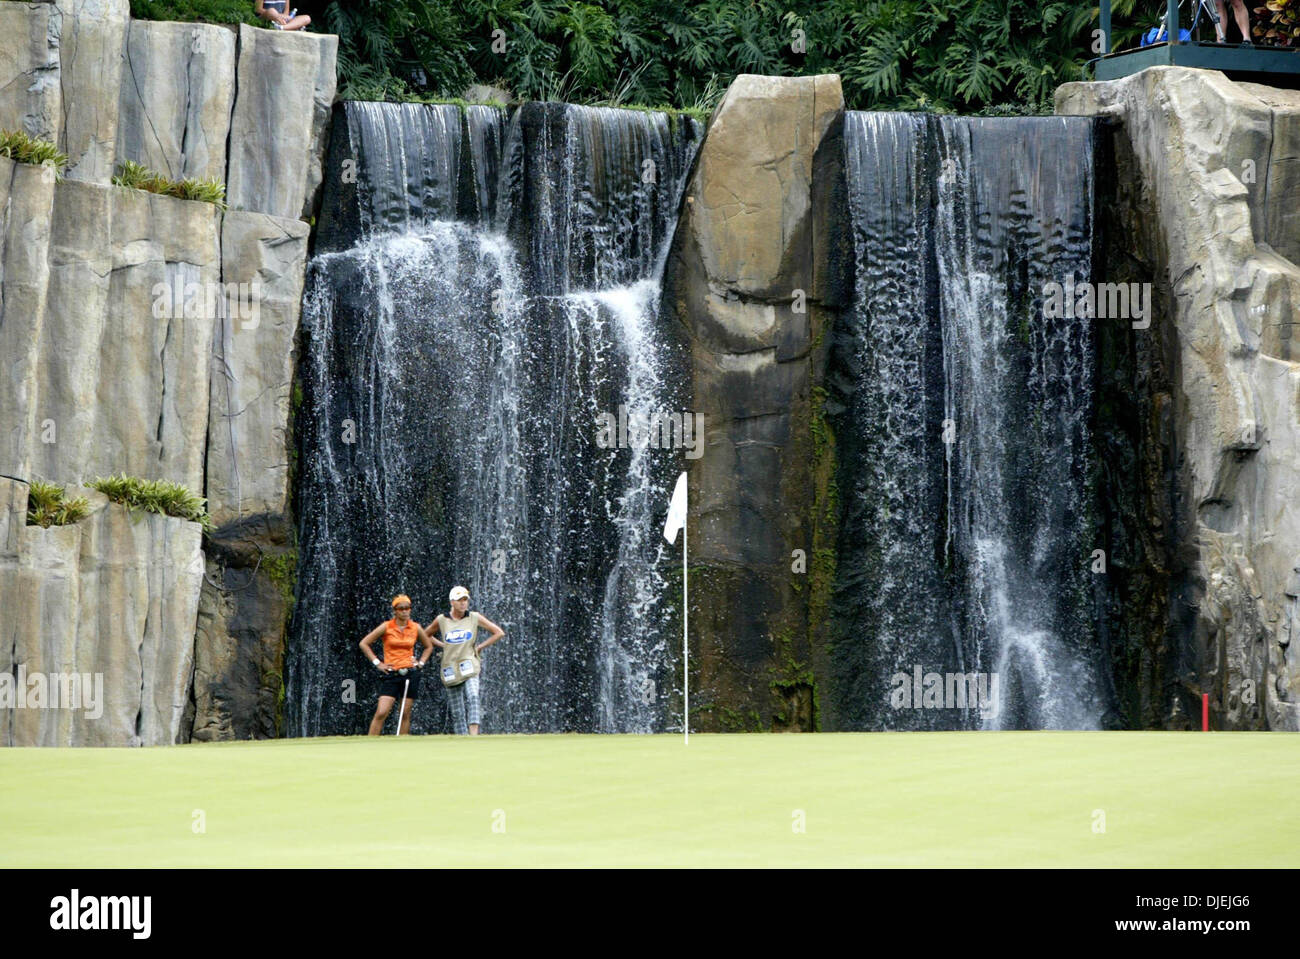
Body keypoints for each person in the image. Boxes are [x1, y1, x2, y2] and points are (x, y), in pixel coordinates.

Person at [429, 586, 505, 735]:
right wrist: (443, 645)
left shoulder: (474, 617)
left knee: (473, 696)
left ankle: (474, 736)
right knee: (457, 711)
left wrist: (480, 647)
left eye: (465, 600)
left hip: (470, 665)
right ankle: (462, 740)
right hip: (450, 667)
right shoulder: (442, 620)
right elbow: (425, 635)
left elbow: (498, 632)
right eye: (459, 600)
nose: (463, 603)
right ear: (452, 602)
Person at [359, 594, 435, 736]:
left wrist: (421, 663)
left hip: (410, 673)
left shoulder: (415, 627)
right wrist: (378, 663)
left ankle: (402, 744)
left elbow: (428, 646)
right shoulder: (386, 627)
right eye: (401, 608)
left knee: (404, 713)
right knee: (382, 711)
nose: (405, 611)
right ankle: (369, 743)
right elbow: (364, 643)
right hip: (392, 673)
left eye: (407, 608)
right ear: (395, 610)